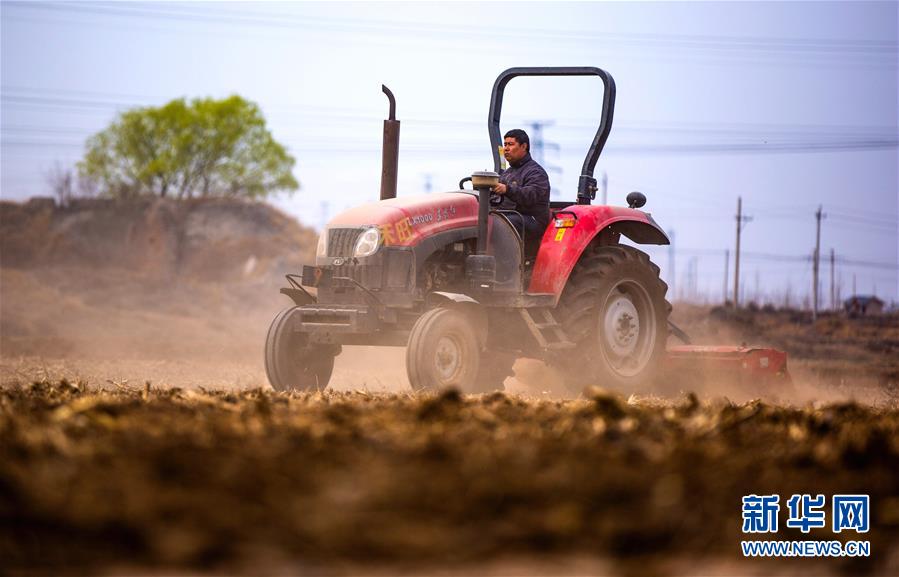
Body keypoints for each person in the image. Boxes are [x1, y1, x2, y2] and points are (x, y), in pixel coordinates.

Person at [492, 129, 551, 253]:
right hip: (511, 215)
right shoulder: (507, 173)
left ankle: (503, 263)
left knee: (501, 224)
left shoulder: (535, 172)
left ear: (524, 146)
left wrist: (507, 189)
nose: (506, 149)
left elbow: (531, 195)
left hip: (532, 220)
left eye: (511, 144)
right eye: (505, 144)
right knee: (485, 219)